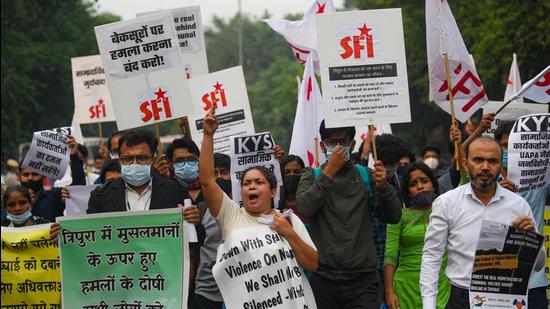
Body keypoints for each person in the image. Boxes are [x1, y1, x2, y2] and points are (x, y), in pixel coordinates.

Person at [198, 106, 318, 299]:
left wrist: (288, 233)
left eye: (258, 182)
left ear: (272, 191)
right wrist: (208, 135)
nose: (251, 187)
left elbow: (312, 263)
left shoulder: (288, 220)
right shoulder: (231, 216)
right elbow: (206, 181)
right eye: (246, 183)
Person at [420, 137, 545, 309]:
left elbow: (538, 265)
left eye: (492, 161)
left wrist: (531, 239)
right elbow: (431, 257)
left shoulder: (519, 205)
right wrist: (429, 305)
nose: (485, 167)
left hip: (506, 299)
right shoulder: (447, 202)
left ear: (501, 166)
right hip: (461, 298)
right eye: (478, 159)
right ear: (465, 163)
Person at [296, 120, 402, 308]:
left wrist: (384, 187)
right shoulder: (311, 175)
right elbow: (305, 208)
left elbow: (393, 216)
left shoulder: (367, 176)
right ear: (322, 146)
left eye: (342, 142)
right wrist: (330, 171)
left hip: (363, 280)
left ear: (352, 144)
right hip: (323, 278)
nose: (337, 148)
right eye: (331, 143)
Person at [494, 121, 549, 308]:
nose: (511, 151)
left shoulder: (540, 182)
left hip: (533, 281)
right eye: (506, 146)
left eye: (517, 146)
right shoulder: (485, 186)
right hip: (496, 283)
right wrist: (495, 194)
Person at [384, 163, 450, 309]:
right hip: (406, 287)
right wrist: (389, 292)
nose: (420, 187)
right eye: (413, 184)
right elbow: (390, 254)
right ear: (407, 191)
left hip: (441, 284)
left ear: (433, 184)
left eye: (424, 181)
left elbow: (464, 182)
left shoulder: (446, 211)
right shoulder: (398, 216)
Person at [1, 135, 84, 224]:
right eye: (25, 174)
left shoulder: (55, 196)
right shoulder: (9, 199)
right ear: (19, 176)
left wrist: (74, 156)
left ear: (44, 176)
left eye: (35, 174)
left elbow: (79, 188)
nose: (30, 178)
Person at [279, 155, 310, 224]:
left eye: (297, 172)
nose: (291, 175)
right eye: (287, 172)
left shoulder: (311, 203)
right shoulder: (274, 205)